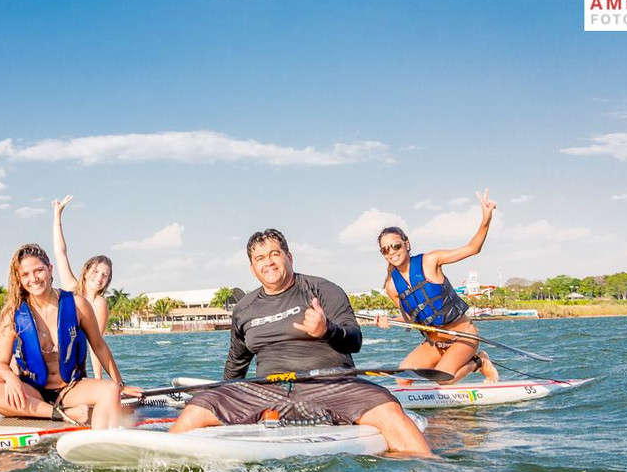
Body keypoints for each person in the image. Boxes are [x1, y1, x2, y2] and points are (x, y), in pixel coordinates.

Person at [169, 228, 432, 457]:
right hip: (268, 390)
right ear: (252, 268)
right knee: (198, 408)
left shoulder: (323, 290)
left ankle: (428, 470)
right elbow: (236, 365)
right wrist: (220, 395)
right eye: (260, 258)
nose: (268, 262)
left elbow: (354, 340)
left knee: (387, 409)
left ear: (289, 257)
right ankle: (160, 463)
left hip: (332, 385)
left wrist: (327, 330)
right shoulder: (244, 309)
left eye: (274, 254)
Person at [0, 244, 131, 428]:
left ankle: (101, 440)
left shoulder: (77, 304)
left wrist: (120, 384)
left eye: (38, 270)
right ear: (19, 278)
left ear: (50, 269)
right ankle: (61, 414)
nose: (33, 279)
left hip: (70, 389)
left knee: (110, 390)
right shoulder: (12, 314)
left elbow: (99, 346)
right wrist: (10, 378)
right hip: (32, 393)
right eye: (25, 274)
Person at [374, 189, 499, 385]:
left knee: (443, 380)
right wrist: (389, 320)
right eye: (385, 249)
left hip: (462, 336)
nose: (391, 252)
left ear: (406, 244)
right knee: (402, 380)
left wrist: (486, 218)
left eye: (396, 245)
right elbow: (409, 317)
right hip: (435, 343)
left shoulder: (430, 261)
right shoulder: (392, 286)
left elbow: (472, 248)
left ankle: (478, 362)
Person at [52, 194, 114, 378]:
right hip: (50, 353)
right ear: (86, 271)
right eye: (96, 271)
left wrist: (99, 379)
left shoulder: (99, 304)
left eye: (105, 275)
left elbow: (96, 344)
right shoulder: (71, 287)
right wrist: (57, 216)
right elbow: (60, 252)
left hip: (74, 364)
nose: (99, 277)